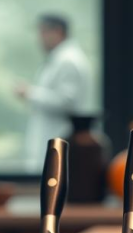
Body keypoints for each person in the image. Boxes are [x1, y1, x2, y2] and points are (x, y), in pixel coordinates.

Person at [14, 14, 90, 170]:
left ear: (57, 31)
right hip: (51, 140)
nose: (39, 38)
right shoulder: (60, 59)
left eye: (42, 32)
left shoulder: (68, 60)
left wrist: (30, 93)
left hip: (59, 138)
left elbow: (67, 102)